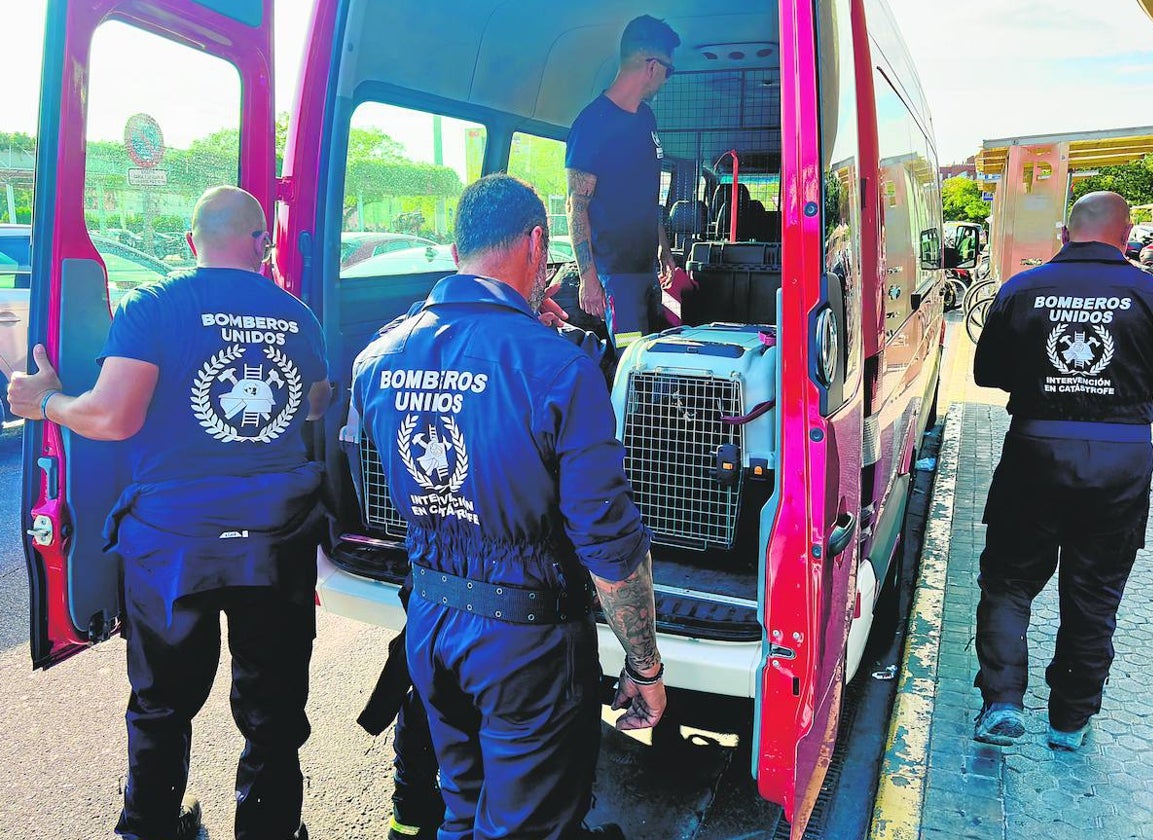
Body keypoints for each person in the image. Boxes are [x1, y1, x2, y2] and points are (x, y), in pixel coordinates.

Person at [9, 186, 332, 839]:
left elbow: (111, 416)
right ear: (261, 241)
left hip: (174, 545)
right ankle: (269, 827)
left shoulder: (154, 304)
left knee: (161, 706)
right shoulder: (298, 317)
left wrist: (44, 402)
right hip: (274, 541)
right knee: (273, 709)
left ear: (191, 242)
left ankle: (149, 827)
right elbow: (316, 403)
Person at [353, 174, 665, 840]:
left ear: (457, 246)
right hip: (526, 643)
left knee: (461, 809)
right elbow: (610, 550)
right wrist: (644, 666)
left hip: (431, 624)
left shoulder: (378, 358)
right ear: (535, 243)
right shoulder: (558, 368)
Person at [971, 191, 1153, 751]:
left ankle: (1001, 702)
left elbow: (986, 374)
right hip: (1120, 462)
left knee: (1008, 580)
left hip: (1035, 452)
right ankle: (1069, 722)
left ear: (1067, 232)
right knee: (1094, 593)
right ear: (1126, 237)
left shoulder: (1021, 290)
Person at [567, 14, 681, 355]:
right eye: (668, 70)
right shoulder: (592, 124)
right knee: (629, 358)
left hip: (646, 270)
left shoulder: (646, 119)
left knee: (651, 355)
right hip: (615, 275)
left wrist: (664, 251)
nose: (666, 79)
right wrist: (589, 278)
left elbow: (648, 197)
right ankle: (621, 409)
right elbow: (576, 206)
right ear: (651, 66)